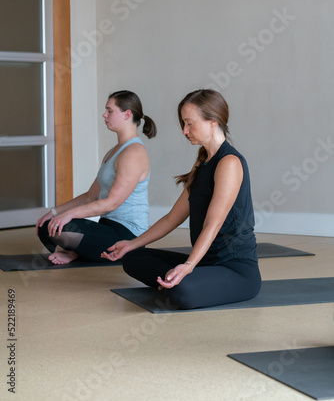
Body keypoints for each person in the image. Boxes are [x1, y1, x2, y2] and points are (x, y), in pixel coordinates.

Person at [102, 89, 261, 310]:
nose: (185, 131)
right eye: (183, 124)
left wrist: (187, 265)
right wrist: (132, 243)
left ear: (213, 121)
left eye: (190, 123)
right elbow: (171, 219)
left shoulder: (229, 163)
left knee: (180, 290)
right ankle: (176, 279)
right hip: (205, 263)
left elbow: (212, 225)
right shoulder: (201, 163)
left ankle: (177, 281)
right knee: (132, 257)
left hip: (235, 270)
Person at [37, 90, 157, 265]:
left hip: (127, 237)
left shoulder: (134, 153)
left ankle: (77, 251)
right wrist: (55, 212)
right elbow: (91, 196)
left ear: (127, 114)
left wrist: (67, 215)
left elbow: (112, 203)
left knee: (62, 226)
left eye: (109, 110)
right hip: (107, 227)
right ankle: (78, 251)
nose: (104, 115)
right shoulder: (114, 151)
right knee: (46, 224)